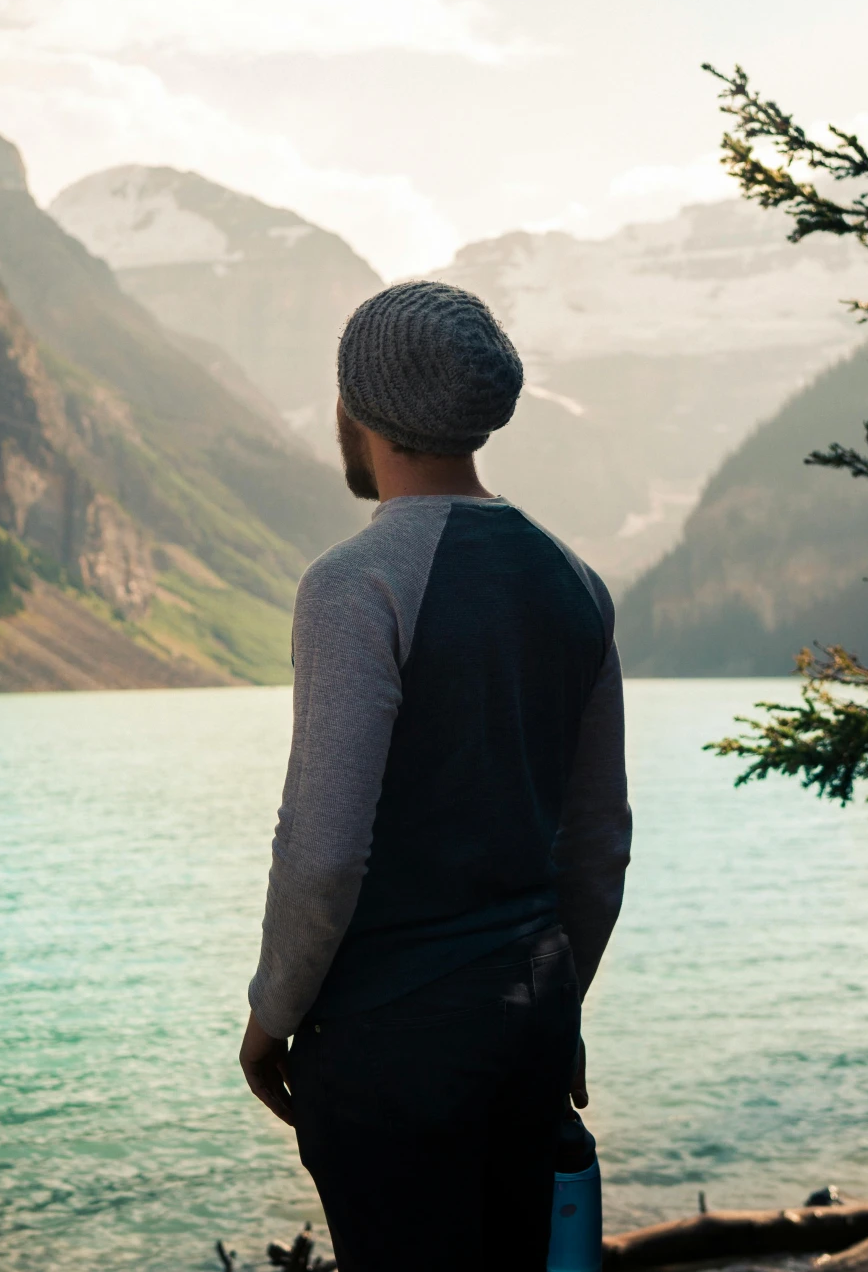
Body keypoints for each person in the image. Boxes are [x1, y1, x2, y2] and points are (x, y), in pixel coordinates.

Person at [237, 280, 632, 1269]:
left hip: (386, 1049)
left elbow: (324, 852)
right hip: (527, 1030)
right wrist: (554, 1005)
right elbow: (597, 848)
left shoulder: (353, 584)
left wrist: (271, 1015)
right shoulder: (576, 584)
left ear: (354, 410)